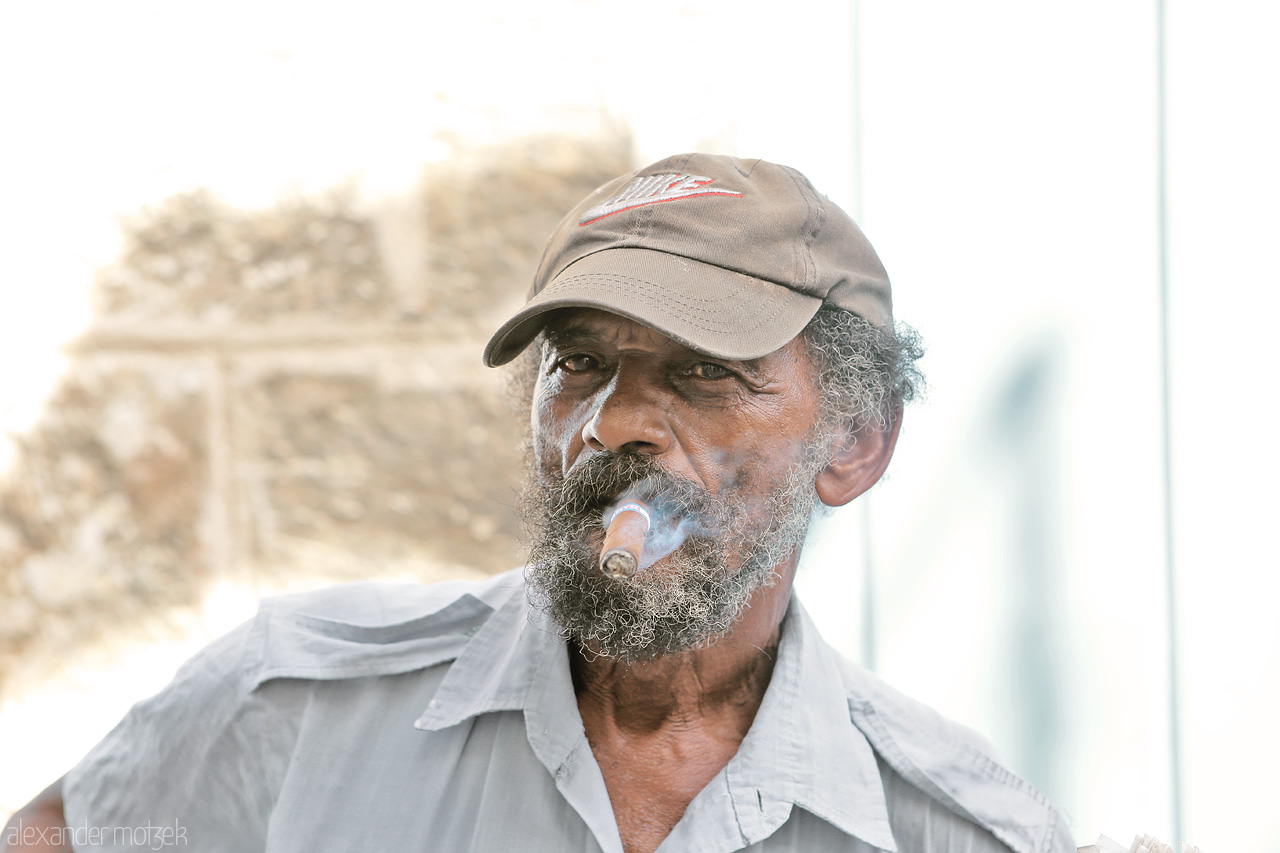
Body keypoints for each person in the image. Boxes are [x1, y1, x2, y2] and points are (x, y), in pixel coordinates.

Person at [3, 154, 1074, 852]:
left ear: (855, 439)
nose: (610, 424)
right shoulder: (295, 698)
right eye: (579, 361)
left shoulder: (951, 828)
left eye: (702, 371)